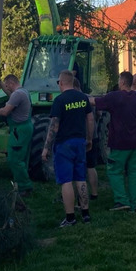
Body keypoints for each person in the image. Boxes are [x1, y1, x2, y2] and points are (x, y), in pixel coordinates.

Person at [91, 71, 136, 211]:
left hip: (120, 142)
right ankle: (133, 203)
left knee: (114, 171)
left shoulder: (114, 97)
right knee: (134, 172)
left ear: (122, 82)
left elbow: (93, 102)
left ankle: (122, 200)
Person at [42, 69, 93, 227]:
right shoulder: (83, 98)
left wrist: (46, 148)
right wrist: (89, 139)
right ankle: (85, 214)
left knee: (66, 181)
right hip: (80, 142)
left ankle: (70, 218)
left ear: (62, 83)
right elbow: (90, 119)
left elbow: (54, 126)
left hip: (64, 144)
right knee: (80, 178)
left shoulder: (60, 100)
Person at [0, 74, 33, 196]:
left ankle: (24, 187)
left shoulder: (17, 94)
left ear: (12, 83)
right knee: (22, 158)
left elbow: (5, 112)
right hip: (25, 127)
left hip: (19, 130)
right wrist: (0, 83)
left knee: (14, 159)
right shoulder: (23, 92)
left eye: (8, 86)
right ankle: (24, 184)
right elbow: (10, 95)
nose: (8, 88)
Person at [75, 67, 100, 200]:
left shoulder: (74, 100)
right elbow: (98, 114)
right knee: (91, 166)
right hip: (94, 135)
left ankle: (80, 196)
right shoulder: (90, 98)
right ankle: (94, 193)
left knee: (79, 167)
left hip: (81, 136)